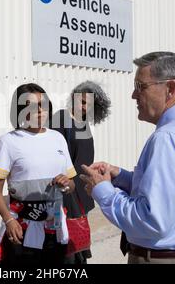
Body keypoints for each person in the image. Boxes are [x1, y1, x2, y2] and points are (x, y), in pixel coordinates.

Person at [80, 52, 175, 264]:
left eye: (140, 86)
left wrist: (103, 191)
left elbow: (152, 220)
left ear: (170, 89)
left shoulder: (168, 138)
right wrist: (121, 177)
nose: (133, 95)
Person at [0, 83, 76, 265]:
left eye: (43, 104)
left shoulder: (58, 138)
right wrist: (8, 220)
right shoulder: (8, 142)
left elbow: (72, 185)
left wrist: (66, 184)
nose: (40, 111)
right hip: (22, 230)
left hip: (56, 229)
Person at [52, 81, 111, 264]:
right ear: (73, 97)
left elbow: (84, 157)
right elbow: (54, 155)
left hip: (82, 188)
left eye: (88, 104)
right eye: (81, 101)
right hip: (67, 189)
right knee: (67, 244)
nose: (83, 106)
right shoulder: (61, 118)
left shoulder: (83, 123)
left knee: (77, 238)